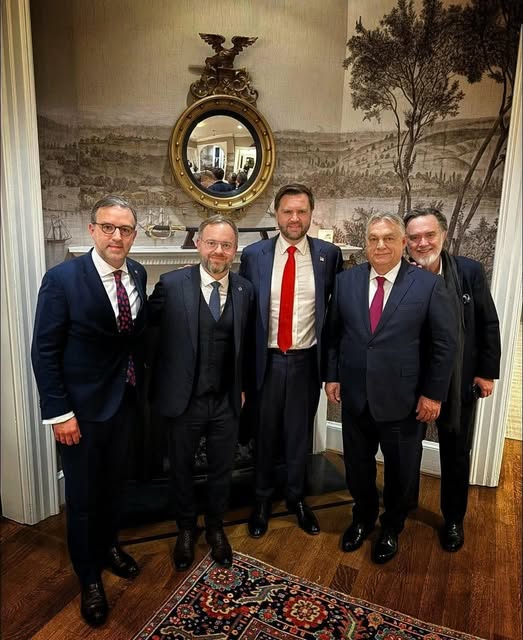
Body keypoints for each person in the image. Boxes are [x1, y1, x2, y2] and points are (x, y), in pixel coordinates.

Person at [31, 195, 147, 627]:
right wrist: (59, 413)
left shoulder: (136, 273)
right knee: (82, 498)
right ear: (93, 229)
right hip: (79, 413)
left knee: (115, 488)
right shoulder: (61, 279)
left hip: (125, 403)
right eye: (109, 227)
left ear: (133, 235)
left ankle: (110, 546)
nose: (117, 236)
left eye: (126, 229)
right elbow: (44, 351)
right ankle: (89, 576)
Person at [324, 211, 457, 564]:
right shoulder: (346, 281)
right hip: (355, 396)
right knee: (357, 466)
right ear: (366, 243)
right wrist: (332, 376)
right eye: (373, 239)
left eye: (388, 238)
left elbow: (444, 345)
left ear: (402, 243)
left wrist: (433, 394)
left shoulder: (427, 285)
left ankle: (392, 526)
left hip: (404, 400)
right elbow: (334, 335)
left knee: (401, 471)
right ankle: (362, 518)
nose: (380, 245)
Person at [148, 215, 254, 572]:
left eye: (226, 245)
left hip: (226, 400)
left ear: (234, 250)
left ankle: (215, 528)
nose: (218, 251)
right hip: (184, 399)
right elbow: (149, 336)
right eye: (211, 243)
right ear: (198, 245)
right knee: (181, 468)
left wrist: (243, 387)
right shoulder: (170, 284)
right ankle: (185, 529)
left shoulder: (245, 290)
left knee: (222, 469)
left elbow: (248, 345)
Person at [239, 183, 343, 538]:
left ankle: (297, 499)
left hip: (305, 363)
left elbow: (336, 318)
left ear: (311, 214)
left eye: (301, 211)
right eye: (287, 211)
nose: (294, 218)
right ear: (276, 214)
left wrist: (332, 372)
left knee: (300, 436)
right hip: (265, 362)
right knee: (264, 435)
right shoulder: (254, 255)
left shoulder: (329, 255)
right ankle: (262, 501)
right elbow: (244, 315)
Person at [404, 207, 501, 551]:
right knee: (406, 450)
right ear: (406, 242)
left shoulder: (468, 272)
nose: (422, 243)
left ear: (443, 236)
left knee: (456, 452)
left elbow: (488, 322)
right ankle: (402, 508)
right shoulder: (401, 276)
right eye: (414, 237)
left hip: (458, 380)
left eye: (429, 235)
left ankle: (454, 519)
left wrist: (486, 372)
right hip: (411, 383)